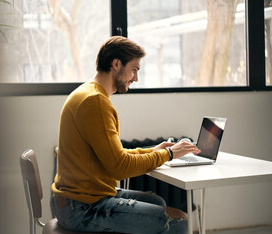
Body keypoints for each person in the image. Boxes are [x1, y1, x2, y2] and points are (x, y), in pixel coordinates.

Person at [51, 36, 201, 234]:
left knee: (158, 202)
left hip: (76, 201)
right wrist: (170, 154)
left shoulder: (89, 94)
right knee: (181, 222)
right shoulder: (96, 102)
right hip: (81, 208)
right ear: (116, 64)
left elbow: (115, 155)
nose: (136, 78)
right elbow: (120, 167)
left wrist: (153, 151)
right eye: (135, 69)